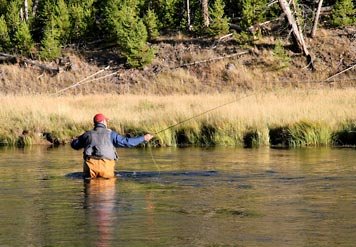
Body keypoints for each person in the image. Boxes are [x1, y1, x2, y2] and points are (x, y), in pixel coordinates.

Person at [71, 113, 154, 179]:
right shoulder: (111, 134)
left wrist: (75, 139)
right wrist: (144, 138)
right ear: (103, 122)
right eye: (106, 121)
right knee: (107, 192)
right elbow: (127, 142)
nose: (107, 123)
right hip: (106, 168)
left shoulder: (87, 135)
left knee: (91, 189)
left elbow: (75, 145)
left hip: (90, 168)